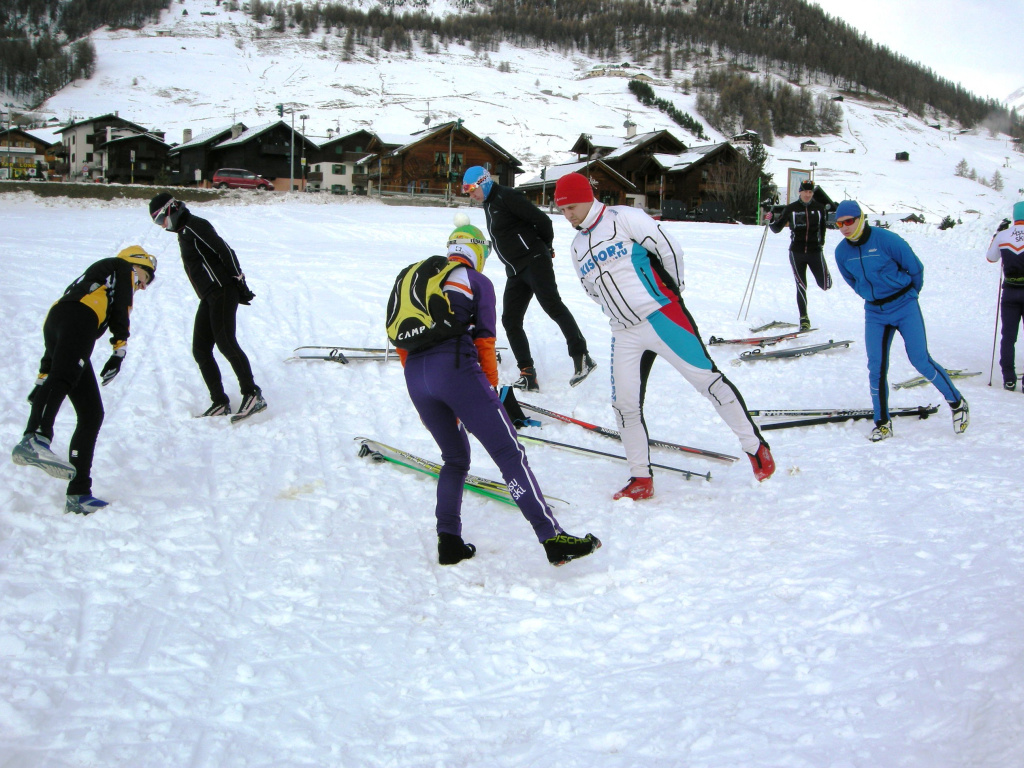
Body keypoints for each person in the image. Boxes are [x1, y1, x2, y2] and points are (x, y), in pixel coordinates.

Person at [552, 172, 774, 500]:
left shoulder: (622, 218)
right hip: (624, 331)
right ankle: (641, 478)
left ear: (587, 198)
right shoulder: (576, 246)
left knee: (707, 382)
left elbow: (668, 247)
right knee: (624, 404)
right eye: (562, 210)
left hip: (661, 316)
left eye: (571, 207)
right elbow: (590, 289)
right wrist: (615, 310)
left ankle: (755, 448)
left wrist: (673, 288)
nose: (567, 214)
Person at [396, 221, 600, 566]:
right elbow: (485, 341)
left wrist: (429, 391)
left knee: (455, 459)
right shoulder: (476, 280)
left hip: (417, 378)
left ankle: (449, 542)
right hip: (457, 370)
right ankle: (551, 538)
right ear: (477, 251)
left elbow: (403, 344)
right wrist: (486, 393)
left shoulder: (420, 280)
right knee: (509, 453)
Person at [11, 247, 157, 515]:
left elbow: (59, 343)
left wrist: (43, 378)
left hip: (62, 321)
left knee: (91, 413)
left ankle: (78, 493)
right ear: (135, 264)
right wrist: (119, 348)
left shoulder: (98, 283)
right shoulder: (120, 266)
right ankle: (35, 438)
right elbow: (122, 308)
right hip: (78, 319)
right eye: (144, 277)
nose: (142, 286)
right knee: (65, 376)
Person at [833, 200, 969, 440]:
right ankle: (883, 423)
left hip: (904, 305)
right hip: (875, 312)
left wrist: (908, 294)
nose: (844, 227)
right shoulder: (841, 252)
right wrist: (869, 294)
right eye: (839, 224)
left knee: (920, 359)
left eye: (849, 221)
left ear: (860, 218)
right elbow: (852, 282)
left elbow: (915, 268)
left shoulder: (887, 240)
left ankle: (957, 403)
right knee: (876, 367)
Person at [461, 166, 595, 392]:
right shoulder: (489, 204)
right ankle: (528, 374)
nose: (471, 195)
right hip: (515, 270)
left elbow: (543, 221)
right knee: (510, 320)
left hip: (533, 261)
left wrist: (544, 248)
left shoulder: (506, 196)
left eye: (472, 189)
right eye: (467, 191)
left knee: (552, 305)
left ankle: (582, 356)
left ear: (483, 182)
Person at [148, 193, 266, 421]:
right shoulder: (184, 231)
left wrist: (239, 281)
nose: (162, 226)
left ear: (170, 210)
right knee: (200, 350)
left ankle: (253, 393)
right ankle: (220, 401)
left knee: (226, 343)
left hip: (222, 290)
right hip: (209, 296)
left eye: (160, 219)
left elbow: (225, 251)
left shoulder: (195, 226)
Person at [765, 180, 832, 330]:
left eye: (810, 192)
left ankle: (825, 278)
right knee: (801, 286)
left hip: (815, 252)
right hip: (797, 253)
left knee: (825, 285)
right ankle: (804, 319)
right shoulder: (791, 208)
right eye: (805, 192)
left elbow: (823, 229)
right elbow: (777, 229)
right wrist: (770, 220)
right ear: (799, 192)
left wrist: (821, 244)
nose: (808, 195)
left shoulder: (820, 208)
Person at [985, 201, 1024, 391]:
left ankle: (1009, 377)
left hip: (1009, 289)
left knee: (1008, 336)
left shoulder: (1003, 235)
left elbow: (991, 258)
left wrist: (996, 235)